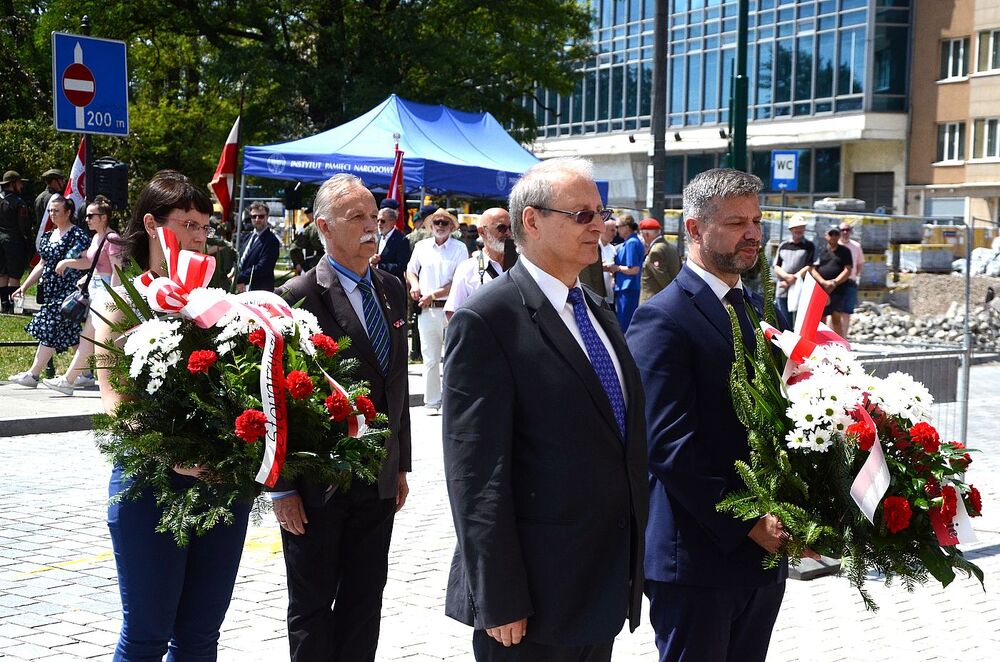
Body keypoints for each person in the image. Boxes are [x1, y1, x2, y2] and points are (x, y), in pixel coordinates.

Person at [442, 157, 648, 662]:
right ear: (531, 222)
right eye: (581, 215)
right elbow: (475, 474)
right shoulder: (487, 318)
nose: (598, 225)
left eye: (600, 212)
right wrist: (499, 594)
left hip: (600, 587)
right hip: (531, 601)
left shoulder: (598, 311)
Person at [627, 168, 817, 662]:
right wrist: (750, 520)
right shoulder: (662, 317)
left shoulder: (752, 309)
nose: (753, 233)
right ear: (694, 229)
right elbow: (666, 443)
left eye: (755, 221)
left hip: (761, 558)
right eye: (736, 223)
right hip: (697, 558)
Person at [91, 170, 252, 661]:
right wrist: (172, 457)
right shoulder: (123, 304)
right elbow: (118, 410)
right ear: (152, 224)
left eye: (205, 225)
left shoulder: (219, 305)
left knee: (201, 637)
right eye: (187, 223)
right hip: (151, 487)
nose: (200, 236)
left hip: (220, 486)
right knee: (145, 635)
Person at [269, 173, 411, 662]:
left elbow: (396, 384)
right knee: (311, 606)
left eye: (374, 216)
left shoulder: (392, 288)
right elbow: (274, 398)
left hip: (376, 481)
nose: (372, 227)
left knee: (364, 601)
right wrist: (282, 487)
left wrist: (401, 464)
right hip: (316, 486)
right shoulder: (296, 297)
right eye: (358, 218)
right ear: (324, 226)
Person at [41, 195, 123, 395]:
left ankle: (69, 380)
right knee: (88, 337)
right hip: (94, 287)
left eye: (90, 216)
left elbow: (117, 272)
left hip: (105, 290)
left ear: (103, 217)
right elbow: (93, 264)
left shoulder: (112, 238)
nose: (86, 219)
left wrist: (112, 298)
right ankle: (72, 379)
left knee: (88, 337)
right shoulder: (96, 237)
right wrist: (80, 272)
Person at [7, 195, 90, 387]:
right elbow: (42, 264)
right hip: (50, 291)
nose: (52, 214)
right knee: (71, 333)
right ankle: (85, 374)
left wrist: (68, 262)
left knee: (50, 329)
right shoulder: (47, 236)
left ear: (68, 213)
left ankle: (33, 375)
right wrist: (25, 286)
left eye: (56, 211)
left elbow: (88, 261)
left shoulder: (76, 235)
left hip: (68, 292)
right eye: (50, 211)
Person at [404, 208, 466, 411]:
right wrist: (414, 285)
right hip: (427, 310)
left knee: (452, 358)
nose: (440, 226)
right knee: (429, 358)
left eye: (444, 223)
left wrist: (433, 295)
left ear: (451, 227)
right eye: (437, 222)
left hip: (451, 309)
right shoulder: (421, 247)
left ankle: (451, 402)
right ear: (430, 226)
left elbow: (459, 280)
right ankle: (432, 402)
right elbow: (410, 271)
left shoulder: (459, 248)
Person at [443, 207, 511, 320]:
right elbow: (453, 313)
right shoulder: (467, 269)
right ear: (482, 232)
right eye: (502, 228)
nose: (508, 233)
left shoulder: (522, 265)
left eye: (511, 228)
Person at [810, 226, 854, 338]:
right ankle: (819, 342)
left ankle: (840, 344)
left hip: (838, 289)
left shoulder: (845, 251)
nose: (834, 237)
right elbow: (813, 269)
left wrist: (834, 282)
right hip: (821, 289)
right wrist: (823, 282)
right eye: (831, 234)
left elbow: (847, 270)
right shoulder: (820, 251)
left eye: (836, 234)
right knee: (819, 318)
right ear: (826, 236)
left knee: (836, 317)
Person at [772, 214, 815, 325]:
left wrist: (793, 279)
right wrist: (787, 278)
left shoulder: (809, 246)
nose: (799, 230)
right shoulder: (783, 245)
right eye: (796, 227)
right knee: (783, 321)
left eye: (801, 227)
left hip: (800, 289)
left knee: (798, 322)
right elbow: (776, 266)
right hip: (782, 288)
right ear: (791, 229)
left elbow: (809, 266)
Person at [1, 170, 32, 314]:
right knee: (14, 275)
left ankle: (4, 304)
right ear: (12, 184)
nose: (21, 186)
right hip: (14, 241)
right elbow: (23, 226)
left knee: (2, 273)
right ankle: (13, 307)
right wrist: (27, 240)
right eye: (19, 183)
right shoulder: (19, 203)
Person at [607, 213, 643, 331]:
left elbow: (633, 269)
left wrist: (616, 267)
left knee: (625, 324)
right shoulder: (631, 241)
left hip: (628, 288)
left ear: (626, 227)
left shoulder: (632, 243)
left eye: (618, 227)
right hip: (626, 288)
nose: (617, 230)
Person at [235, 201, 280, 292]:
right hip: (242, 289)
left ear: (267, 217)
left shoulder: (272, 241)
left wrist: (239, 278)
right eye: (253, 216)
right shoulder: (248, 237)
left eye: (261, 216)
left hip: (259, 290)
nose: (257, 219)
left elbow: (263, 267)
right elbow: (241, 260)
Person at [639, 218, 681, 304]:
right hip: (665, 300)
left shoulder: (655, 251)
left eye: (642, 235)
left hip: (653, 301)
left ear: (646, 235)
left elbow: (662, 279)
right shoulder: (671, 247)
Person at [370, 199, 411, 283]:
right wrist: (371, 259)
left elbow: (402, 266)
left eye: (382, 221)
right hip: (375, 281)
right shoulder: (376, 236)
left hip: (392, 284)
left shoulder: (401, 240)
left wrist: (378, 266)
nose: (379, 224)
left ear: (393, 222)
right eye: (377, 220)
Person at [578, 218, 617, 306]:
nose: (615, 233)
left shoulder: (612, 249)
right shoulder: (591, 247)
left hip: (606, 292)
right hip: (590, 292)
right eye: (612, 230)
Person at [837, 222, 864, 336]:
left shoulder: (856, 246)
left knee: (846, 312)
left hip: (850, 282)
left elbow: (859, 264)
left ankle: (843, 338)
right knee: (833, 312)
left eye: (847, 230)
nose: (845, 232)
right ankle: (830, 339)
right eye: (842, 230)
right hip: (835, 283)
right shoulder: (835, 245)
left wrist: (853, 275)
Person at [290, 206, 323, 275]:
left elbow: (294, 248)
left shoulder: (310, 228)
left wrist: (301, 264)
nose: (308, 216)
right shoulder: (308, 227)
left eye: (309, 214)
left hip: (314, 265)